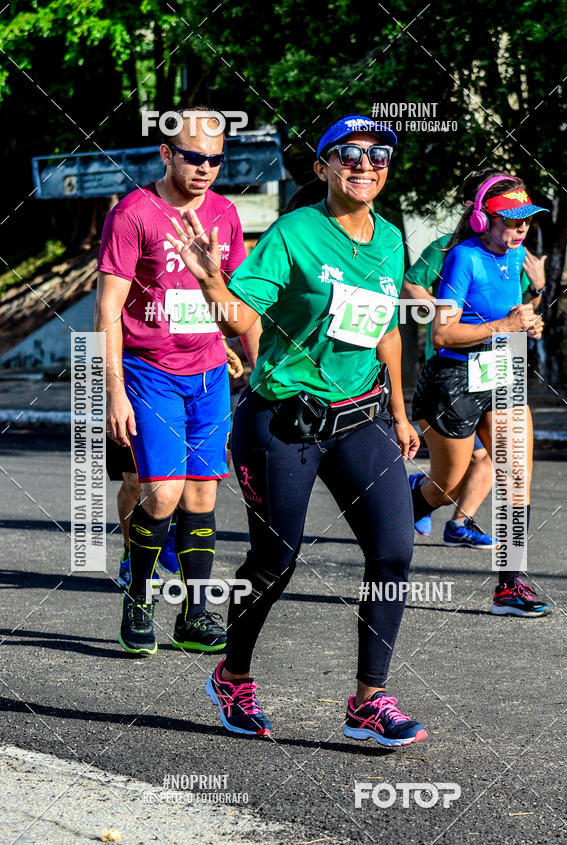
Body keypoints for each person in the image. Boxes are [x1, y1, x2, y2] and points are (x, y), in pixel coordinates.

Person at [167, 113, 428, 747]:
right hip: (281, 421)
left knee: (394, 549)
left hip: (361, 416)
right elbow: (237, 320)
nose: (365, 165)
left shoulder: (391, 239)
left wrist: (397, 410)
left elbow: (385, 327)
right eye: (350, 154)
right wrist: (208, 280)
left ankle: (369, 701)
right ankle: (233, 676)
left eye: (379, 155)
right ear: (323, 167)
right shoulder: (294, 233)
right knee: (275, 560)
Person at [95, 105, 260, 656]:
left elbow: (229, 299)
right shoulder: (132, 213)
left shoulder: (224, 214)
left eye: (215, 159)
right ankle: (138, 595)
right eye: (194, 157)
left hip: (209, 371)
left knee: (201, 494)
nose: (206, 168)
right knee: (160, 493)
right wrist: (114, 389)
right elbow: (108, 310)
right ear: (167, 153)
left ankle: (195, 614)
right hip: (148, 371)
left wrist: (242, 353)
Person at [410, 173, 550, 616]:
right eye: (511, 221)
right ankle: (403, 505)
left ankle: (510, 586)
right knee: (446, 487)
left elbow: (506, 312)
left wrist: (526, 320)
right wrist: (505, 327)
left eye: (526, 220)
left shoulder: (516, 256)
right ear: (481, 219)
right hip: (455, 379)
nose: (520, 229)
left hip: (503, 369)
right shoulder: (462, 259)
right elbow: (443, 333)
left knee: (515, 476)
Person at [109, 340, 245, 587]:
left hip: (194, 369)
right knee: (136, 482)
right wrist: (112, 386)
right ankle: (132, 554)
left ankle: (171, 528)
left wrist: (218, 341)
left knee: (200, 477)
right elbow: (107, 317)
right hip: (135, 372)